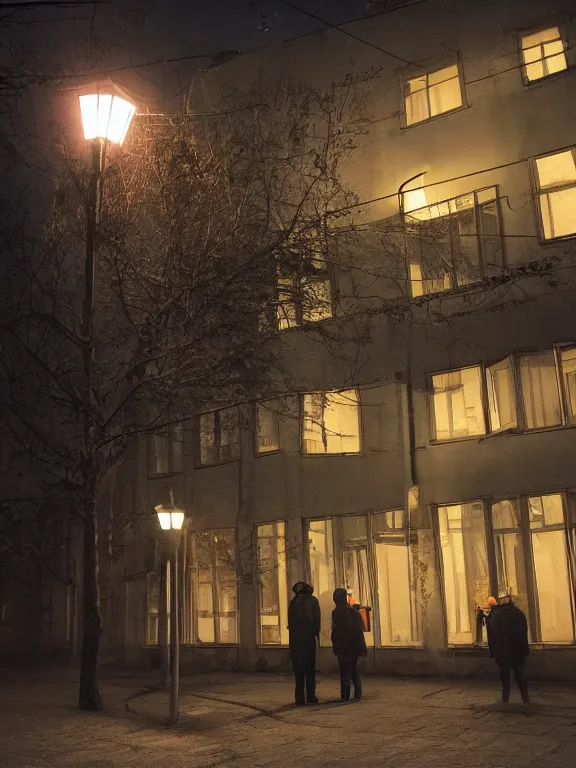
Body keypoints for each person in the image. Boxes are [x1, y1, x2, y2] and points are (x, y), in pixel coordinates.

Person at [485, 595, 529, 704]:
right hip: (519, 650)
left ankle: (505, 699)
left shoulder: (498, 614)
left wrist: (495, 652)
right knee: (520, 674)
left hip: (504, 652)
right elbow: (524, 632)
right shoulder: (519, 613)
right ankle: (525, 698)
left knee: (505, 675)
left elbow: (493, 633)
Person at [331, 587, 367, 702]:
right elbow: (358, 631)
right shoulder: (352, 612)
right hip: (351, 646)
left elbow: (335, 631)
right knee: (352, 669)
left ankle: (345, 694)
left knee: (344, 670)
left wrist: (335, 643)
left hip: (342, 646)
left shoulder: (336, 612)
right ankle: (356, 692)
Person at [288, 581, 321, 706]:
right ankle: (311, 695)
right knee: (310, 668)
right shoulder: (313, 601)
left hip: (296, 640)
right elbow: (317, 620)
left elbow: (291, 624)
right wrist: (316, 634)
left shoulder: (294, 602)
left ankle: (299, 696)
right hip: (308, 639)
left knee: (299, 669)